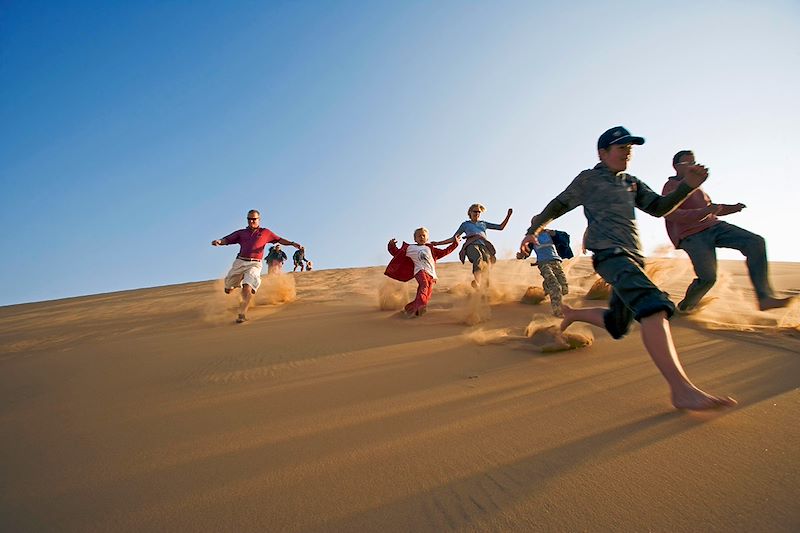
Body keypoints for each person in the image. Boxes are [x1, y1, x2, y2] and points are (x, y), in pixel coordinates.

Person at [519, 126, 736, 410]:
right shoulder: (589, 179)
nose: (627, 153)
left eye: (630, 149)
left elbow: (658, 208)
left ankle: (573, 314)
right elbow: (557, 205)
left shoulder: (631, 182)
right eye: (621, 148)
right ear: (603, 152)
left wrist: (687, 187)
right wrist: (532, 230)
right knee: (653, 306)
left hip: (633, 256)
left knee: (620, 323)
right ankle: (682, 390)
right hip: (610, 254)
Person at [663, 150, 792, 313]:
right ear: (676, 167)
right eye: (687, 163)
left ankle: (765, 298)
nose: (692, 167)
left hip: (714, 227)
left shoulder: (697, 186)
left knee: (755, 242)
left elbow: (711, 208)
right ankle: (685, 308)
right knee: (708, 278)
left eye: (694, 162)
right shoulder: (671, 187)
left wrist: (732, 208)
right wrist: (704, 212)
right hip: (692, 235)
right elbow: (672, 213)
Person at [211, 210, 303, 323]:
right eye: (249, 219)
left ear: (259, 219)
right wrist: (219, 241)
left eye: (254, 219)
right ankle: (234, 285)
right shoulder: (241, 233)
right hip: (240, 262)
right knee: (228, 290)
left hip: (255, 263)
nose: (251, 221)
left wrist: (292, 243)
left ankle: (242, 313)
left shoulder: (265, 232)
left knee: (247, 286)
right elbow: (228, 239)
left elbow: (279, 239)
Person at [385, 228, 460, 317]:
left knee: (427, 296)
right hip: (420, 271)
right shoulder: (410, 248)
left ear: (427, 238)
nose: (421, 237)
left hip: (431, 275)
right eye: (419, 236)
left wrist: (455, 244)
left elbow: (445, 252)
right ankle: (419, 307)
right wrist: (391, 246)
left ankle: (409, 309)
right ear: (415, 239)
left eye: (423, 235)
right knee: (424, 285)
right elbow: (397, 253)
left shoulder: (431, 249)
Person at [437, 204, 512, 289]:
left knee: (486, 264)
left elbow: (500, 227)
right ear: (470, 212)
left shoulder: (483, 223)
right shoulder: (465, 224)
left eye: (478, 212)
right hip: (471, 245)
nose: (477, 213)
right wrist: (438, 243)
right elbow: (453, 238)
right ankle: (477, 281)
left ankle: (484, 291)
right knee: (478, 257)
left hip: (484, 246)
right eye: (475, 211)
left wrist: (508, 215)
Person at [529, 228, 570, 317]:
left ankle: (546, 287)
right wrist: (521, 255)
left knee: (564, 289)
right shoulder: (531, 237)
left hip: (556, 261)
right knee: (555, 287)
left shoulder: (549, 233)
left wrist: (555, 234)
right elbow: (526, 251)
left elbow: (564, 237)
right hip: (543, 263)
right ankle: (558, 312)